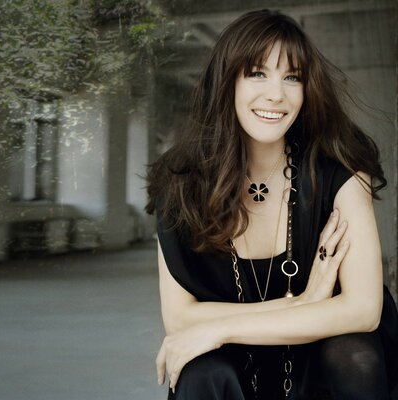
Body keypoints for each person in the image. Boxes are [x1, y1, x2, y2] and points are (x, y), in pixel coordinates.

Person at [144, 9, 398, 400]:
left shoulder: (340, 175)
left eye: (292, 77)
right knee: (201, 371)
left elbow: (363, 311)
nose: (276, 94)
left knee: (356, 355)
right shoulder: (181, 182)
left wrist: (221, 326)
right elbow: (180, 318)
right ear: (226, 82)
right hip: (235, 363)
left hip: (320, 354)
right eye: (257, 73)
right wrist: (305, 301)